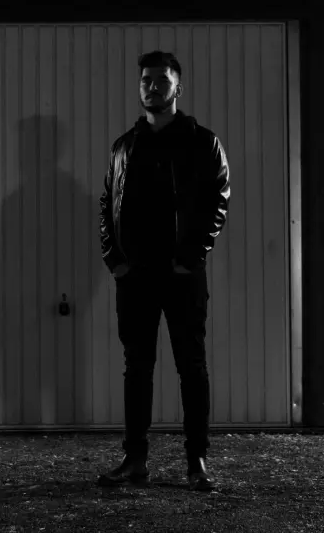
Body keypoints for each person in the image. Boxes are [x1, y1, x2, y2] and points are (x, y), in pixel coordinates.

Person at [98, 50, 230, 492]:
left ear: (178, 88)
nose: (152, 87)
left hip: (182, 275)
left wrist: (191, 258)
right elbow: (107, 203)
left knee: (191, 366)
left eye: (161, 80)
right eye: (146, 81)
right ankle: (134, 460)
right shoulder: (124, 146)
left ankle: (197, 462)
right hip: (135, 275)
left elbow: (218, 200)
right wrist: (114, 260)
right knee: (137, 368)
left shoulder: (202, 142)